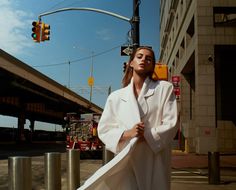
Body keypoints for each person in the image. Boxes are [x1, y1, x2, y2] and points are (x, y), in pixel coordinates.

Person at [78, 46, 178, 190]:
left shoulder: (164, 89)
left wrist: (147, 134)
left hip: (154, 159)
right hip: (126, 160)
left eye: (148, 58)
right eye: (140, 56)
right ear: (131, 63)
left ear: (152, 65)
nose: (144, 59)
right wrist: (128, 133)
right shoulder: (116, 97)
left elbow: (171, 123)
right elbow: (104, 129)